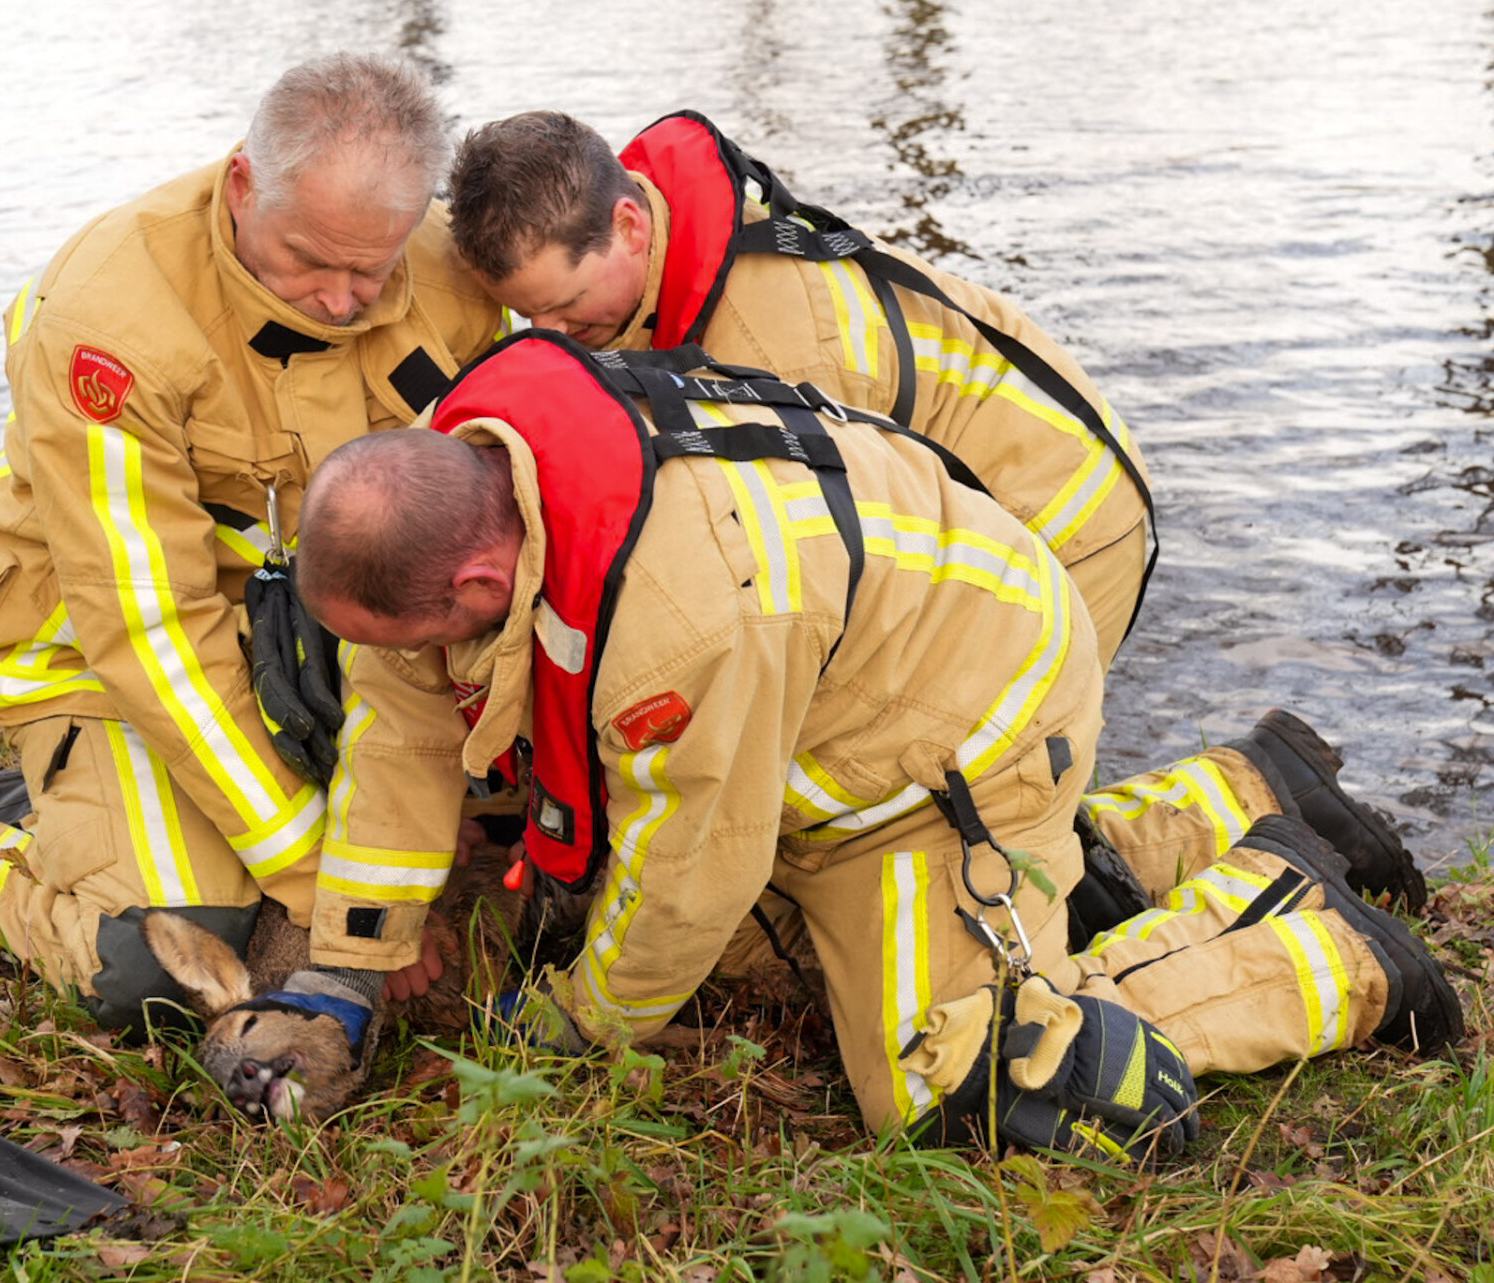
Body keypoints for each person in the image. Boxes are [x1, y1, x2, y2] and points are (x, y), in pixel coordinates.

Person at [280, 333, 1461, 1152]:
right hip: (867, 674)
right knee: (755, 952)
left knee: (936, 1073)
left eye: (416, 636)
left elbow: (695, 865)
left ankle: (1314, 942)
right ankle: (1245, 787)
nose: (407, 661)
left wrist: (576, 1026)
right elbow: (401, 718)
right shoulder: (460, 470)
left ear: (481, 577)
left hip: (953, 735)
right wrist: (349, 960)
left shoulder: (681, 618)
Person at [445, 108, 1428, 928]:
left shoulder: (773, 330)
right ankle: (1264, 785)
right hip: (990, 495)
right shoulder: (667, 269)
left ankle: (1265, 870)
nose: (560, 340)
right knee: (943, 791)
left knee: (964, 813)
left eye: (571, 311)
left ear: (629, 225)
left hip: (1058, 522)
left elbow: (797, 576)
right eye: (534, 322)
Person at [0, 54, 499, 1030]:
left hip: (322, 639)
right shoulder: (108, 321)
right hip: (111, 656)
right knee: (166, 960)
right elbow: (149, 627)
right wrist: (324, 881)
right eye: (313, 259)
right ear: (241, 186)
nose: (346, 299)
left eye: (374, 266)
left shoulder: (450, 270)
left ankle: (96, 811)